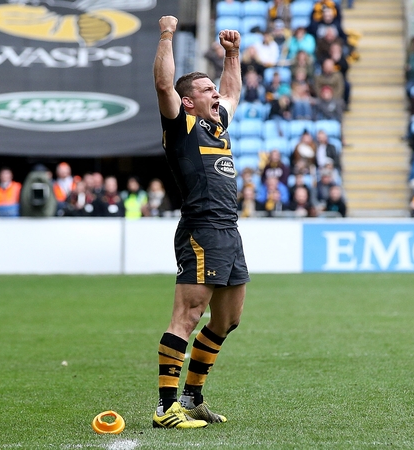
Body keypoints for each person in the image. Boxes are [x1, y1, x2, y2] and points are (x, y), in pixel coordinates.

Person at [153, 16, 248, 429]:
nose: (216, 93)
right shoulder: (182, 126)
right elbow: (162, 85)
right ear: (188, 101)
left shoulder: (217, 123)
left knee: (227, 320)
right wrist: (168, 35)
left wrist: (233, 55)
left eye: (213, 88)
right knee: (188, 318)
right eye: (206, 89)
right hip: (201, 229)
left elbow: (232, 90)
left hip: (229, 230)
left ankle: (193, 398)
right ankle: (165, 408)